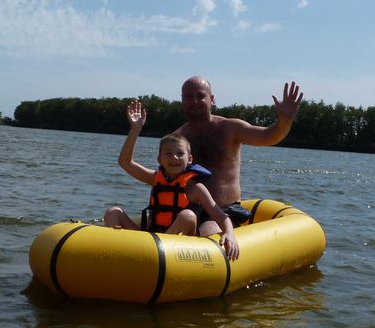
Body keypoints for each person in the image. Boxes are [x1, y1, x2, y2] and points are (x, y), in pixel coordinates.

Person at [104, 100, 240, 260]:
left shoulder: (196, 188)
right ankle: (113, 256)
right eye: (168, 153)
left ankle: (155, 255)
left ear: (189, 159)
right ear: (160, 159)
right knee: (113, 213)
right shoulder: (156, 178)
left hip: (178, 247)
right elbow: (125, 162)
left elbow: (220, 215)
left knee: (188, 215)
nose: (174, 157)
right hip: (150, 239)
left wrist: (230, 234)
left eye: (179, 154)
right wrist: (135, 129)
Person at [175, 77, 303, 235]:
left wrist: (285, 120)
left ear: (212, 99)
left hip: (224, 212)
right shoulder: (177, 138)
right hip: (188, 211)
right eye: (188, 97)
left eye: (200, 96)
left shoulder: (229, 128)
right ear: (182, 100)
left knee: (207, 231)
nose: (194, 101)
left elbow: (268, 136)